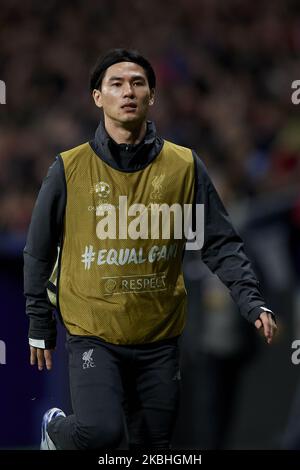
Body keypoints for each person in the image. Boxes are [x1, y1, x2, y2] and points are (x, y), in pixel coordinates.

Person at [24, 48, 277, 450]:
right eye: (116, 84)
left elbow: (219, 241)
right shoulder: (68, 168)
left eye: (138, 83)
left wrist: (251, 301)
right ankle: (55, 431)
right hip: (94, 333)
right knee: (101, 431)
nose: (128, 91)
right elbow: (38, 250)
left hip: (159, 338)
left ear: (152, 96)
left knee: (152, 449)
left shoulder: (184, 166)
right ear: (97, 97)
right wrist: (39, 326)